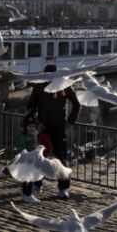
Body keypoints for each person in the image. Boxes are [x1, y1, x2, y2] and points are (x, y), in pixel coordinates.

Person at [26, 63, 81, 200]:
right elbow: (31, 106)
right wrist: (37, 122)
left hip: (59, 126)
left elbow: (76, 103)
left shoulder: (65, 85)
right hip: (43, 127)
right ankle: (37, 184)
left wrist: (70, 121)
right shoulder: (39, 86)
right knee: (40, 157)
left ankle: (63, 188)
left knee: (61, 158)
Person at [14, 116, 44, 203]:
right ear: (25, 127)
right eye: (29, 126)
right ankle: (27, 195)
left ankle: (26, 194)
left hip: (31, 159)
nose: (32, 128)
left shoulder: (33, 135)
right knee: (28, 178)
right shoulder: (22, 135)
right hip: (25, 159)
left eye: (33, 126)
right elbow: (21, 147)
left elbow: (34, 146)